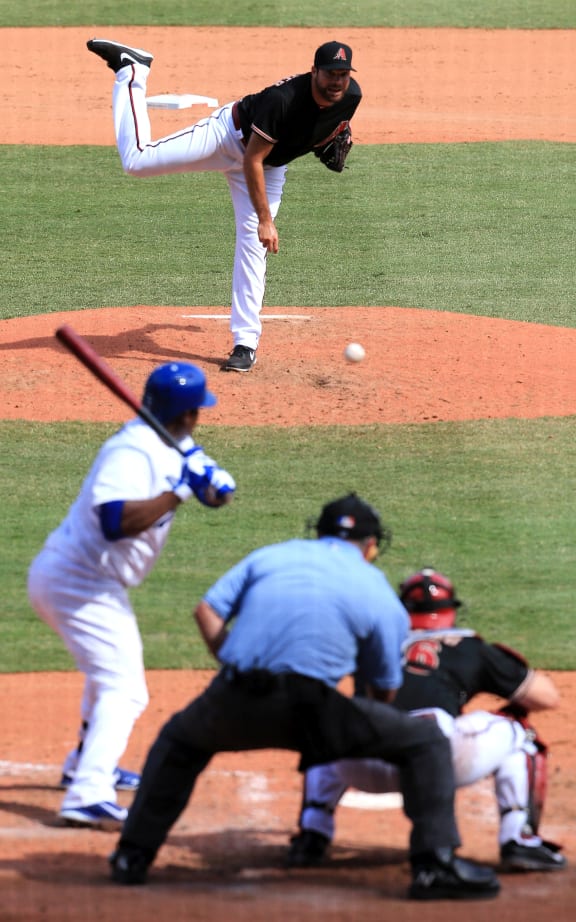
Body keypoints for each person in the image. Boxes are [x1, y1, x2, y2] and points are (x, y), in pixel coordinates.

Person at [108, 494, 499, 900]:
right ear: (372, 545)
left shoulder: (270, 557)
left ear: (319, 532)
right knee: (424, 741)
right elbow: (383, 685)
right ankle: (434, 866)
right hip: (314, 709)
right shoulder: (375, 588)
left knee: (179, 741)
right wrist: (363, 725)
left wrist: (234, 664)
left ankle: (132, 856)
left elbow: (206, 612)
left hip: (236, 695)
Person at [27, 362, 235, 829]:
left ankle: (83, 764)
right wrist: (182, 489)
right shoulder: (131, 451)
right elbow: (115, 521)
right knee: (125, 688)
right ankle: (87, 793)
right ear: (188, 414)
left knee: (110, 676)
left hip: (90, 582)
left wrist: (214, 485)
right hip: (75, 582)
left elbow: (213, 493)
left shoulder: (172, 441)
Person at [86, 37, 362, 373]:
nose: (337, 81)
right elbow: (252, 161)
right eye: (330, 73)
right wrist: (264, 219)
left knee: (253, 249)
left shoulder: (351, 96)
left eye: (343, 74)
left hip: (269, 166)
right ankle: (132, 70)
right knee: (137, 161)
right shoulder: (283, 101)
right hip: (228, 139)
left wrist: (329, 138)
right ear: (314, 71)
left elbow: (324, 125)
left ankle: (245, 343)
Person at [289, 568, 567, 873]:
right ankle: (519, 838)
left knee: (330, 729)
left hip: (366, 767)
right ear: (450, 611)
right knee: (518, 732)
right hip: (436, 764)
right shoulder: (467, 646)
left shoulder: (370, 644)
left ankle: (312, 835)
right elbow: (546, 697)